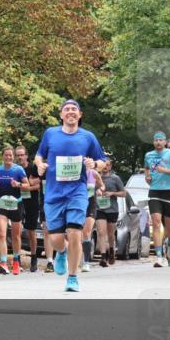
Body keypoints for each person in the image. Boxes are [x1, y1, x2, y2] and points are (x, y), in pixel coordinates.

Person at [34, 100, 106, 292]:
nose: (71, 112)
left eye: (74, 109)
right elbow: (39, 155)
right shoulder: (50, 134)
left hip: (78, 192)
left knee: (75, 233)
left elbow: (102, 161)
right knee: (56, 238)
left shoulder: (88, 137)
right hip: (54, 193)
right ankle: (62, 252)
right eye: (67, 109)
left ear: (80, 115)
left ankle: (72, 277)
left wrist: (94, 165)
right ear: (61, 115)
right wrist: (39, 164)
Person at [143, 131, 170, 267]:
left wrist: (165, 171)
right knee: (155, 223)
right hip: (154, 192)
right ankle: (159, 257)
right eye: (156, 140)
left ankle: (169, 248)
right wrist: (148, 177)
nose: (158, 142)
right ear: (153, 142)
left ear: (165, 142)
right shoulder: (148, 155)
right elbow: (147, 170)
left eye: (161, 140)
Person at [0, 146, 27, 275]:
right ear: (2, 157)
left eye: (10, 155)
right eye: (6, 155)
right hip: (2, 204)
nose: (8, 157)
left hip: (16, 204)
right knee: (1, 234)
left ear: (13, 157)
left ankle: (16, 261)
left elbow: (27, 186)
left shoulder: (19, 170)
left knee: (16, 236)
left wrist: (18, 185)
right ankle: (3, 262)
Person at [15, 146, 42, 272]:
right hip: (18, 202)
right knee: (17, 232)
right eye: (18, 155)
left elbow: (38, 185)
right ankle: (17, 259)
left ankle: (34, 258)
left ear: (26, 156)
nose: (20, 157)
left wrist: (26, 187)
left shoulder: (33, 168)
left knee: (31, 232)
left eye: (22, 155)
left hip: (32, 202)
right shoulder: (14, 169)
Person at [95, 158, 126, 267]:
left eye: (108, 165)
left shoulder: (115, 178)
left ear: (110, 167)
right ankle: (103, 257)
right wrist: (96, 191)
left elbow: (124, 193)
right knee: (101, 232)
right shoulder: (95, 177)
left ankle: (112, 250)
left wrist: (112, 193)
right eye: (104, 165)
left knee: (110, 234)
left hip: (112, 209)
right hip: (99, 209)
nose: (105, 167)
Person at [80, 165, 105, 272]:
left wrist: (99, 190)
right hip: (78, 204)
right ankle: (76, 258)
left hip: (91, 204)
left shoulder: (93, 173)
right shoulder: (74, 173)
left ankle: (86, 262)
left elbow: (102, 186)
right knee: (76, 233)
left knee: (86, 232)